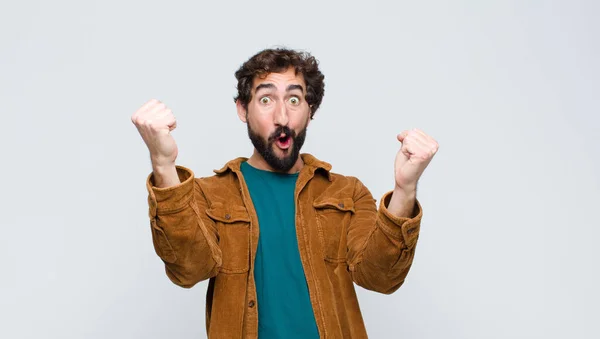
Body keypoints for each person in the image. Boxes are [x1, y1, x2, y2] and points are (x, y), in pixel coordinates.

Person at [131, 48, 438, 338]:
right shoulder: (209, 195)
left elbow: (381, 277)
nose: (281, 117)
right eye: (266, 100)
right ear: (242, 109)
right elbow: (188, 268)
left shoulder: (348, 192)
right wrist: (163, 164)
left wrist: (404, 188)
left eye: (294, 100)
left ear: (310, 109)